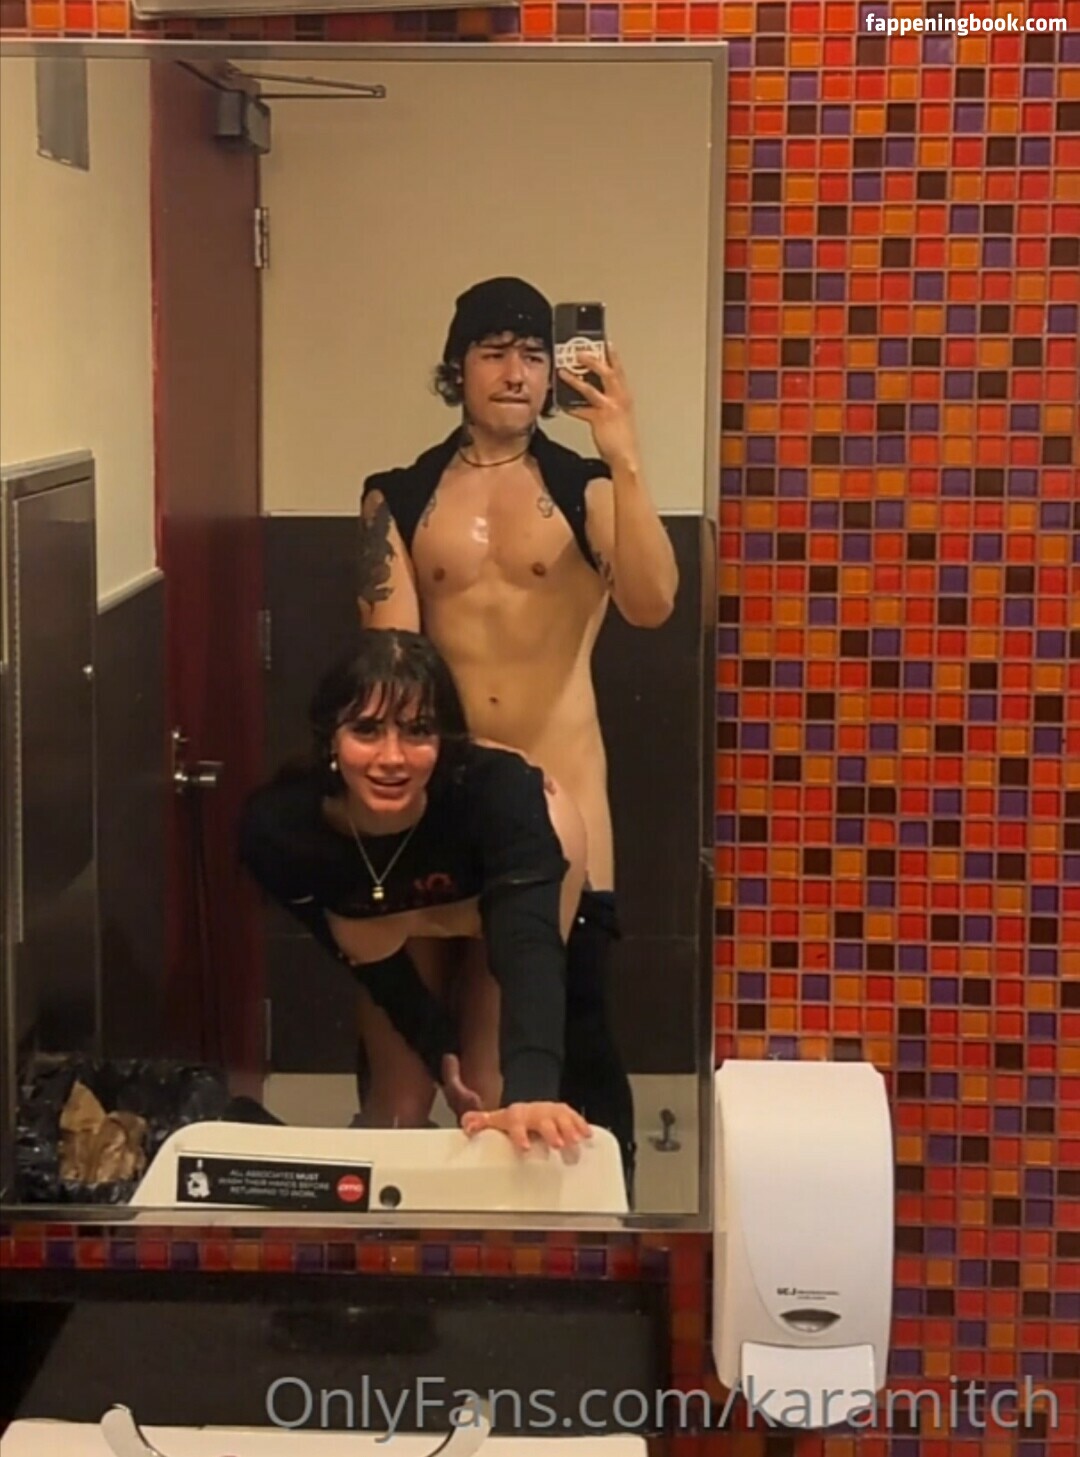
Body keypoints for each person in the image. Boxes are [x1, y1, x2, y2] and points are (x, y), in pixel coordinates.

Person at [354, 276, 678, 1191]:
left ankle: (586, 1252)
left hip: (563, 808)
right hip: (440, 807)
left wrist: (625, 454)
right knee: (408, 1078)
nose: (516, 373)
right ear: (456, 368)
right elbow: (391, 666)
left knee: (563, 1072)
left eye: (534, 355)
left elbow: (654, 602)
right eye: (494, 352)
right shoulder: (399, 496)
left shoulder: (588, 492)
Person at [238, 629, 591, 1154]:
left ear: (444, 740)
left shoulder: (503, 798)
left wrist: (534, 1093)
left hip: (497, 899)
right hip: (394, 911)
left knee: (494, 1093)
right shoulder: (281, 831)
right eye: (366, 730)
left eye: (418, 731)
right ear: (330, 738)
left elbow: (528, 950)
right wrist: (435, 1046)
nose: (392, 758)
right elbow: (369, 964)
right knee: (397, 1111)